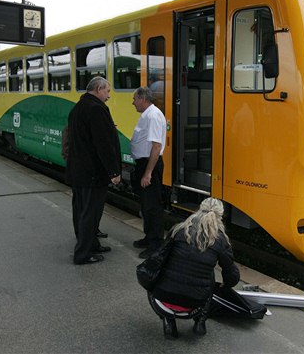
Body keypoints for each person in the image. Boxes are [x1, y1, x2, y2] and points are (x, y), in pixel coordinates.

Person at [148, 198, 240, 339]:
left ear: (198, 210)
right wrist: (226, 284)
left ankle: (168, 322)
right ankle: (200, 321)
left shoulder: (178, 230)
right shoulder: (220, 240)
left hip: (163, 301)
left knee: (154, 275)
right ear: (220, 216)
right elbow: (232, 275)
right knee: (209, 275)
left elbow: (158, 257)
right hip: (194, 306)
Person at [65, 76, 121, 265]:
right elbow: (102, 144)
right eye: (107, 91)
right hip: (92, 173)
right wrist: (113, 171)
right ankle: (83, 254)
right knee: (90, 213)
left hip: (78, 171)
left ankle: (91, 244)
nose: (109, 96)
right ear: (98, 89)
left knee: (81, 210)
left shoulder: (77, 108)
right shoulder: (96, 109)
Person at [130, 86, 167, 258]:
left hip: (149, 164)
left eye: (134, 99)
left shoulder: (152, 116)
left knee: (152, 206)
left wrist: (148, 173)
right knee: (146, 204)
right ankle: (149, 237)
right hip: (144, 163)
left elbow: (156, 146)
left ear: (143, 99)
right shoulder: (147, 115)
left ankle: (156, 244)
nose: (133, 103)